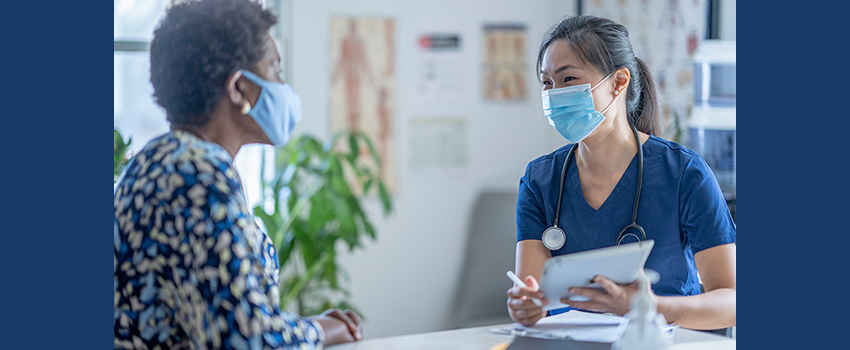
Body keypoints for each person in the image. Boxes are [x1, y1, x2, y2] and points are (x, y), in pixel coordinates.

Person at [114, 0, 363, 348]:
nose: (284, 86)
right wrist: (325, 329)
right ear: (239, 89)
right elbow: (247, 338)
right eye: (275, 69)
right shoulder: (198, 177)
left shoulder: (152, 162)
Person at [506, 15, 736, 332]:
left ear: (618, 82)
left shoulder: (684, 173)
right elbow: (535, 297)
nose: (555, 94)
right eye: (547, 83)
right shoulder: (540, 180)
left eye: (569, 79)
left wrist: (648, 307)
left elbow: (731, 302)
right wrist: (525, 307)